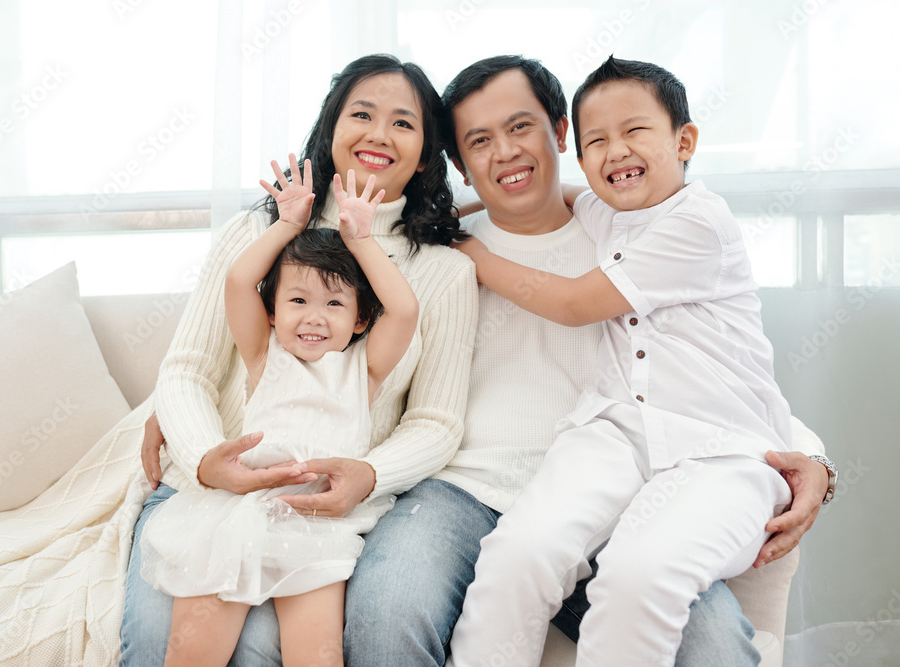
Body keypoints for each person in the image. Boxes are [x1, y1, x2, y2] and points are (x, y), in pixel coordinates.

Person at [140, 55, 834, 667]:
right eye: (478, 141)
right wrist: (177, 425)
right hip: (460, 493)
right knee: (386, 616)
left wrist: (806, 461)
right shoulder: (433, 246)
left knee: (711, 646)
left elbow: (717, 364)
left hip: (610, 494)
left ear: (560, 134)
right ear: (460, 162)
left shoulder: (624, 226)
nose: (504, 152)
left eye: (521, 127)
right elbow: (235, 361)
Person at [118, 54, 479, 666]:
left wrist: (366, 475)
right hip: (209, 494)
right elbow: (188, 371)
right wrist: (209, 460)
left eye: (403, 123)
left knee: (277, 650)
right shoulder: (259, 233)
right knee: (165, 648)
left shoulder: (444, 273)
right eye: (361, 114)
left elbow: (435, 422)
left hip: (321, 509)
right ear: (331, 126)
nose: (378, 134)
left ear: (425, 154)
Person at [447, 55, 803, 667]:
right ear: (580, 154)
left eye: (634, 131)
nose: (615, 151)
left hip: (719, 450)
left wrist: (466, 250)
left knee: (636, 576)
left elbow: (572, 302)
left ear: (684, 139)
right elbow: (552, 192)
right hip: (613, 431)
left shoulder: (700, 222)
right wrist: (436, 216)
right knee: (518, 555)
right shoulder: (606, 210)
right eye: (597, 141)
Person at [139, 158, 420, 665]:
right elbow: (239, 281)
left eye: (335, 305)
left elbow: (404, 310)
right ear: (273, 312)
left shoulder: (364, 368)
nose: (314, 317)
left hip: (316, 522)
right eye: (297, 299)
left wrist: (361, 240)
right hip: (240, 512)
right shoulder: (264, 354)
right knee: (193, 652)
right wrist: (288, 224)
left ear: (360, 320)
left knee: (317, 657)